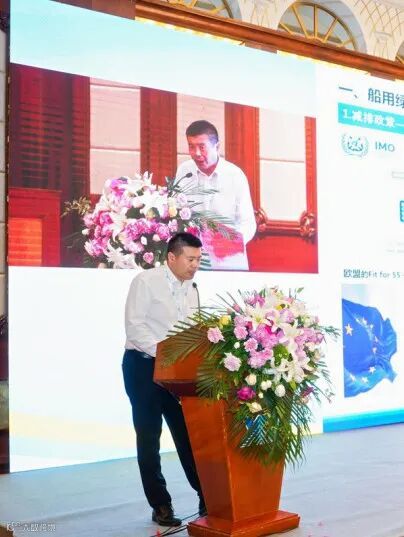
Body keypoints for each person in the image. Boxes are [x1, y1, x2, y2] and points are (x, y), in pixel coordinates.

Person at [122, 232, 206, 527]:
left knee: (189, 437)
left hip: (178, 372)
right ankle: (160, 504)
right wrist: (167, 355)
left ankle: (207, 497)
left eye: (199, 259)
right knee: (149, 439)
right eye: (190, 259)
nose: (195, 265)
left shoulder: (193, 289)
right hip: (143, 368)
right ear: (172, 257)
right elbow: (135, 328)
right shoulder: (145, 282)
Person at [176, 120, 256, 270]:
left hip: (229, 263)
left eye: (202, 147)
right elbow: (177, 213)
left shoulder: (235, 175)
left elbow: (248, 223)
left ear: (217, 146)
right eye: (191, 146)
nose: (196, 153)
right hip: (192, 263)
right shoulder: (184, 171)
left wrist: (230, 243)